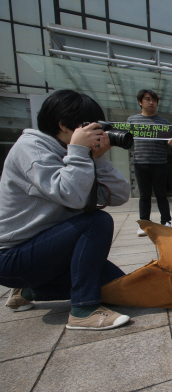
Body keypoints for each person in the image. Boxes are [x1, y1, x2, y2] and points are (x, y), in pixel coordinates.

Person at [0, 90, 131, 330]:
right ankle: (83, 310)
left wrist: (99, 159)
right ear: (63, 125)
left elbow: (121, 195)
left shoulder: (73, 152)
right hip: (12, 257)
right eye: (90, 127)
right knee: (97, 221)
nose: (97, 132)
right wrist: (80, 153)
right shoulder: (32, 149)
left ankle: (30, 289)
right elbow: (71, 196)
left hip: (46, 252)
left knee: (119, 286)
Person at [127, 89, 172, 236]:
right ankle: (144, 224)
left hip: (159, 162)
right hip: (140, 162)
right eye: (147, 99)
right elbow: (127, 141)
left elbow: (169, 144)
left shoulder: (163, 122)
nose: (151, 102)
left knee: (161, 194)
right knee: (144, 195)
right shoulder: (132, 121)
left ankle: (166, 221)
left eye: (154, 100)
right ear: (140, 102)